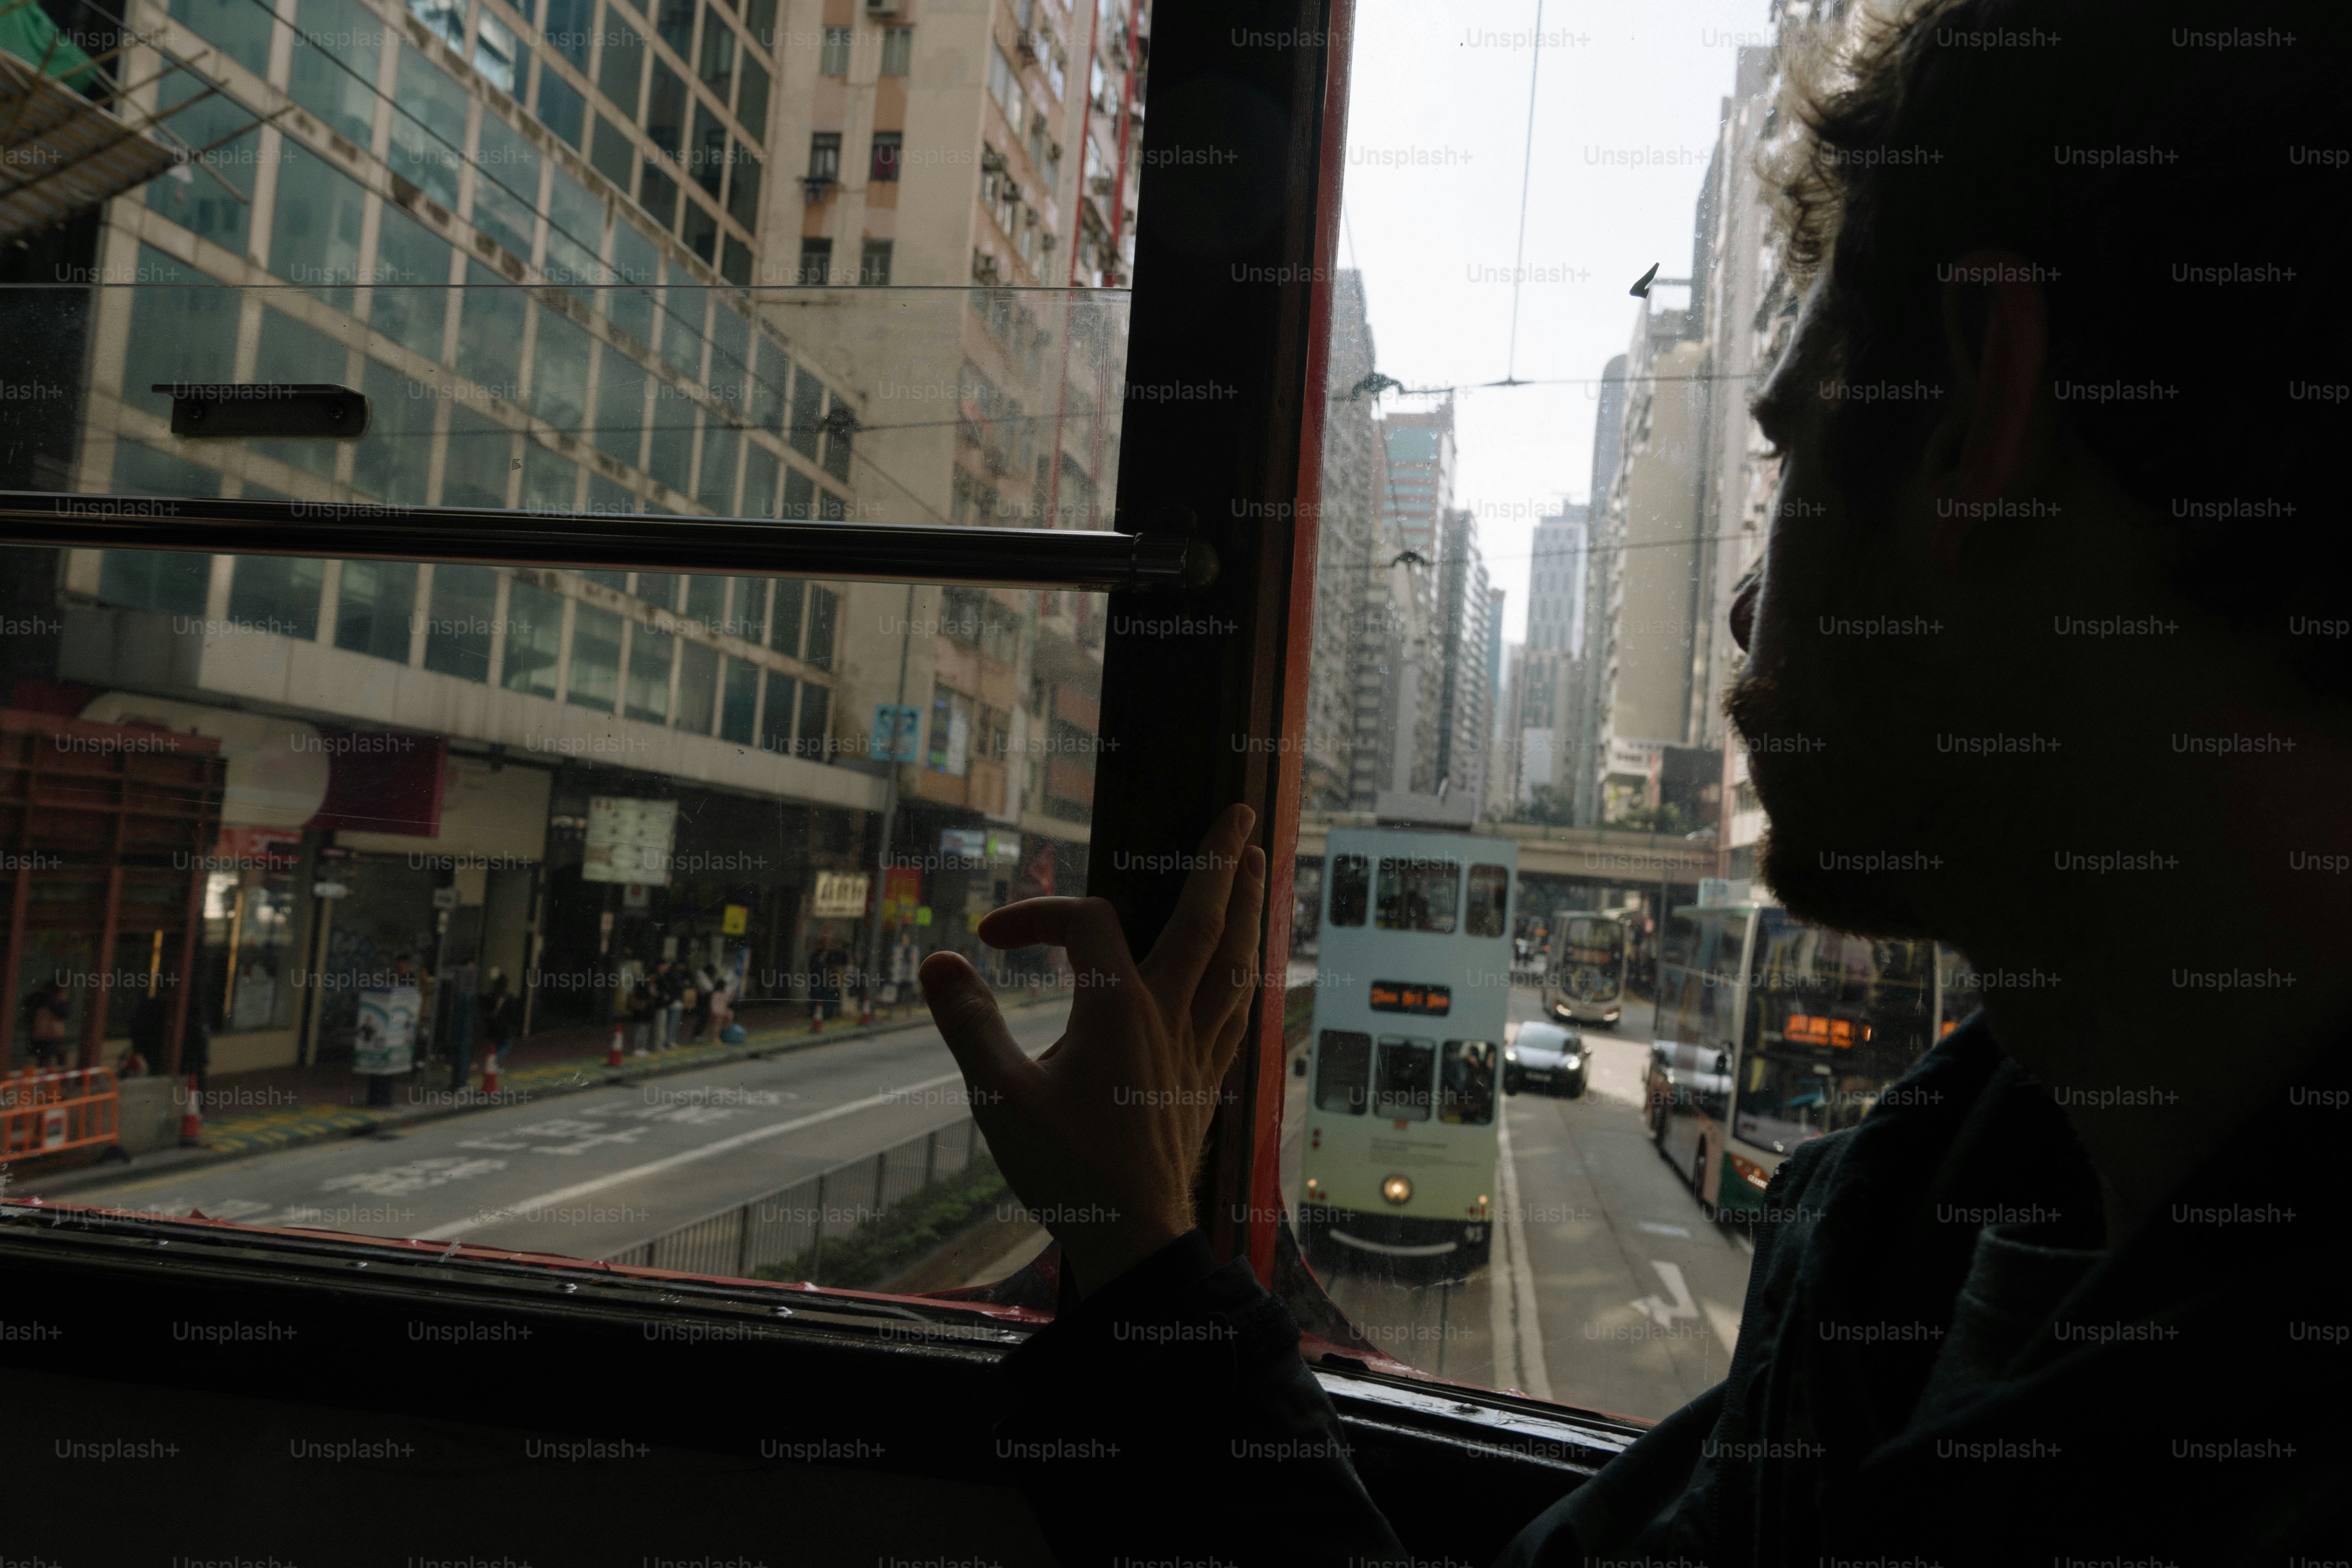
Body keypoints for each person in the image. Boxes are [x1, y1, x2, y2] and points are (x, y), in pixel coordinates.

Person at [915, 7, 2352, 1561]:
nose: (1745, 604)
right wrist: (1145, 1250)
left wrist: (1140, 1281)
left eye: (1791, 448)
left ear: (1976, 419)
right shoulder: (1944, 1217)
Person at [20, 975, 71, 1070]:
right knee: (49, 1058)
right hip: (48, 1034)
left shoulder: (40, 997)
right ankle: (52, 1081)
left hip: (41, 1033)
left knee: (48, 1058)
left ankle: (53, 1080)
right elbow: (63, 1012)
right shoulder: (50, 998)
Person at [477, 969, 516, 1073]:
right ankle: (495, 1061)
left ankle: (497, 1065)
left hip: (494, 1025)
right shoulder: (509, 997)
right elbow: (512, 1014)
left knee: (497, 1045)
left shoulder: (493, 995)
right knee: (507, 1045)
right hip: (503, 1026)